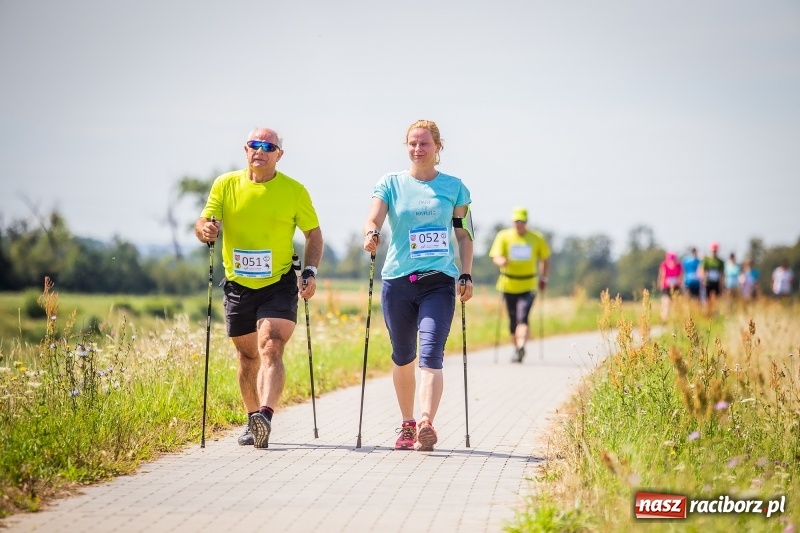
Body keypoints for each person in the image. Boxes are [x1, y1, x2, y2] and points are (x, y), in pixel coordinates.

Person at [195, 127, 323, 449]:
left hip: (278, 282)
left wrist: (309, 270)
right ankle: (253, 421)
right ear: (245, 149)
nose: (260, 151)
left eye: (268, 146)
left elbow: (314, 235)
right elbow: (203, 223)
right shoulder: (225, 185)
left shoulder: (294, 191)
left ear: (279, 154)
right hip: (237, 284)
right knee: (247, 357)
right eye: (255, 145)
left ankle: (265, 414)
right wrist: (206, 229)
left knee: (271, 345)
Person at [362, 119, 473, 452]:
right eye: (412, 143)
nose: (417, 149)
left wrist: (466, 274)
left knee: (430, 354)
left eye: (424, 143)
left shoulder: (455, 187)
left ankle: (426, 421)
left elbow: (464, 235)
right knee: (402, 357)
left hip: (438, 281)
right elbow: (373, 218)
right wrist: (371, 234)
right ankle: (407, 425)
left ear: (437, 147)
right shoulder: (390, 183)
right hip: (397, 281)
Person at [488, 207, 551, 363]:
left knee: (523, 316)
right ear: (513, 222)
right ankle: (517, 349)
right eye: (516, 222)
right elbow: (495, 255)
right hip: (508, 283)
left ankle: (521, 345)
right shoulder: (504, 236)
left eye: (522, 222)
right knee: (512, 320)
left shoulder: (536, 238)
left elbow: (545, 257)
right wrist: (500, 261)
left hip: (529, 284)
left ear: (526, 222)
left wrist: (544, 278)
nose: (519, 225)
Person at [656, 251, 683, 322]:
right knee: (666, 303)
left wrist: (680, 284)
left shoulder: (679, 266)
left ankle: (676, 319)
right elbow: (662, 275)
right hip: (666, 287)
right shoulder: (664, 265)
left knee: (676, 304)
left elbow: (681, 276)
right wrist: (661, 285)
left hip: (676, 287)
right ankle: (664, 319)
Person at [699, 242, 724, 313]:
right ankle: (707, 312)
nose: (714, 252)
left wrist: (721, 284)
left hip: (716, 283)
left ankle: (714, 312)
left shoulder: (720, 262)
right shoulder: (706, 260)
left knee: (716, 299)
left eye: (715, 251)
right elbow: (702, 270)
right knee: (707, 299)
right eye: (713, 251)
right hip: (708, 283)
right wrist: (703, 278)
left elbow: (722, 274)